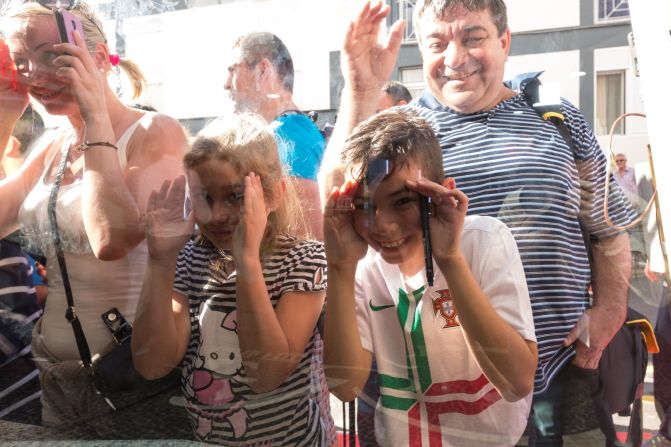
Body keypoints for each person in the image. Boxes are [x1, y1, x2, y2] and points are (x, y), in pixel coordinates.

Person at [319, 1, 635, 445]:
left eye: (473, 38)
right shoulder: (409, 131)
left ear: (504, 41)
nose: (454, 59)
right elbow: (337, 200)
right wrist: (358, 89)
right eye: (437, 43)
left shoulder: (556, 119)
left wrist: (609, 311)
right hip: (448, 390)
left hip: (563, 366)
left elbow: (609, 226)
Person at [0, 1, 190, 439]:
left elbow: (111, 238)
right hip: (58, 378)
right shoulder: (55, 143)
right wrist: (9, 113)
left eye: (53, 56)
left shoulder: (153, 132)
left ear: (100, 58)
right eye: (21, 62)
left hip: (125, 380)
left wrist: (97, 117)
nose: (35, 75)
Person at [322, 109, 537, 446]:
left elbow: (516, 381)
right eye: (364, 206)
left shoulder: (484, 240)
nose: (382, 224)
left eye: (403, 201)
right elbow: (345, 387)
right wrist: (339, 267)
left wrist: (450, 259)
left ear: (441, 193)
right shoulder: (362, 267)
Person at [131, 113, 336, 446]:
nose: (218, 214)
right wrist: (159, 261)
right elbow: (152, 364)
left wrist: (247, 262)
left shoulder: (303, 259)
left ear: (273, 194)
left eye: (235, 197)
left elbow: (266, 375)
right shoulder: (188, 258)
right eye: (204, 197)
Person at [224, 32, 326, 240]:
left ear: (263, 70)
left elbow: (307, 241)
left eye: (233, 70)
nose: (226, 84)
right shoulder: (291, 131)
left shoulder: (286, 137)